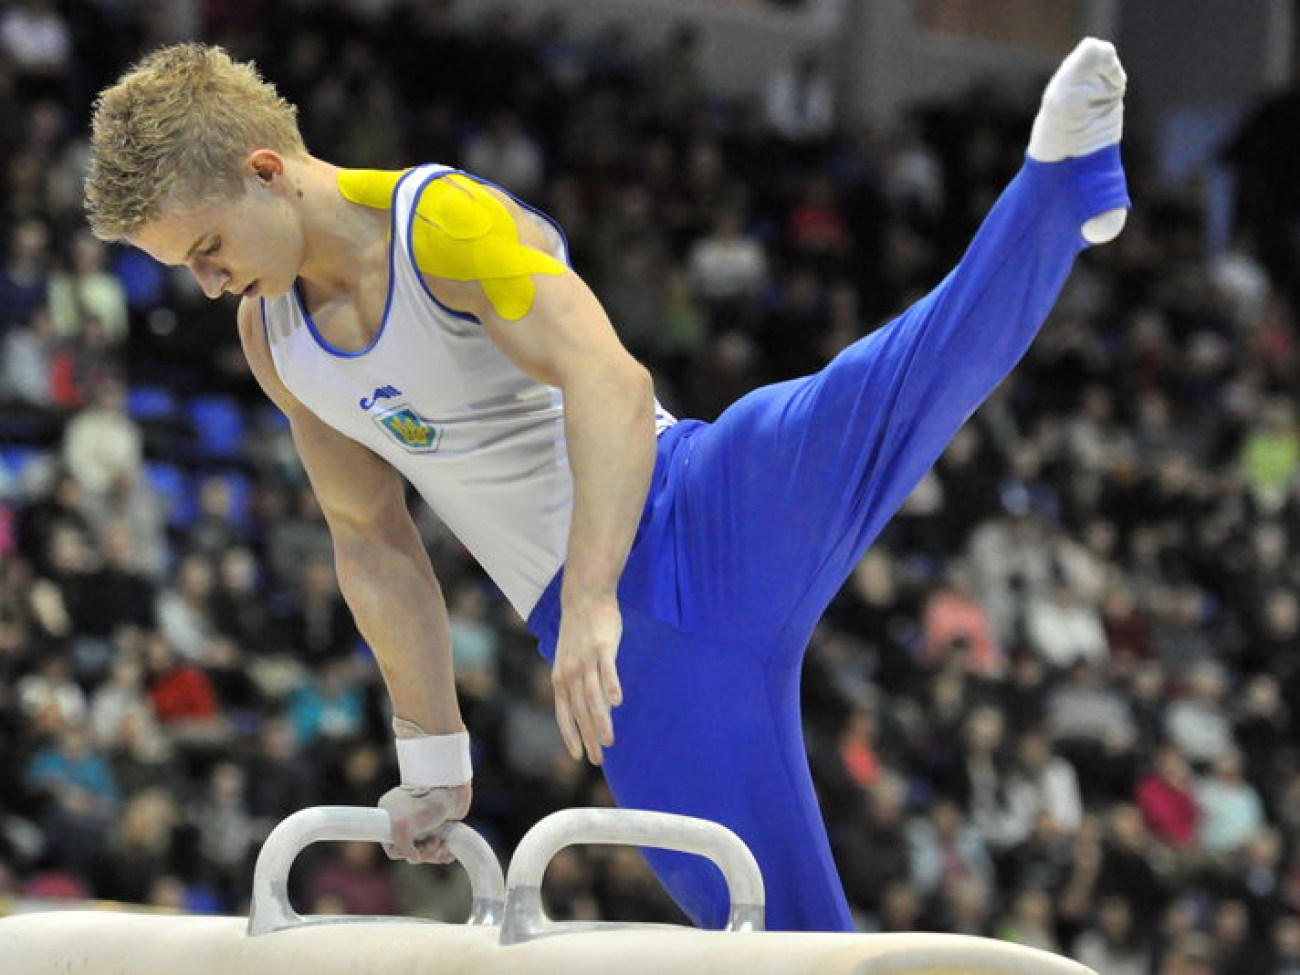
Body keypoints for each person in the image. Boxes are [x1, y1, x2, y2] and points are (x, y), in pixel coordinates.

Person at [84, 38, 1129, 931]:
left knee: (897, 382)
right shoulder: (276, 343)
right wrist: (435, 753)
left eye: (208, 249)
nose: (207, 282)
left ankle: (1059, 187)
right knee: (772, 930)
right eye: (187, 267)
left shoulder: (440, 225)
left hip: (702, 505)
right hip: (643, 669)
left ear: (267, 169)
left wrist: (592, 599)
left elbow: (612, 383)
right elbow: (370, 540)